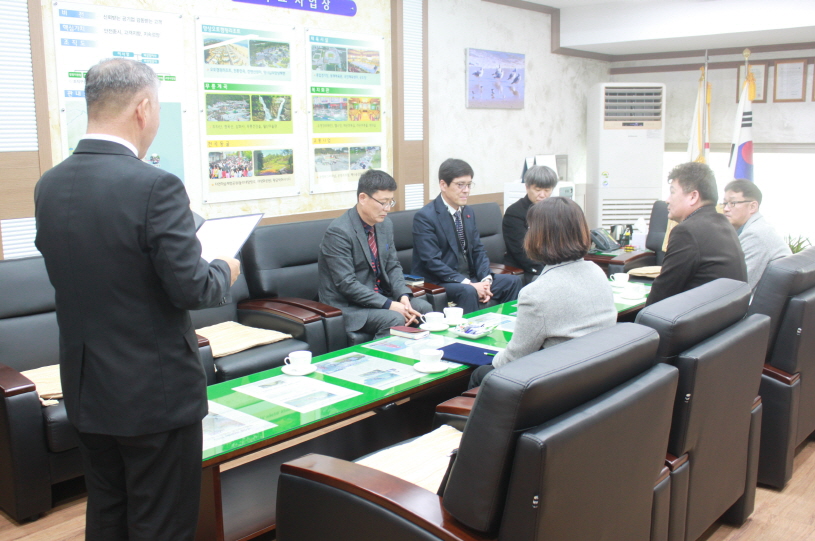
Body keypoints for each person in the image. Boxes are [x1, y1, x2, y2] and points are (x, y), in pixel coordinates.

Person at [34, 58, 240, 541]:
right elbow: (194, 287)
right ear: (143, 107)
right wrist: (224, 269)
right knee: (161, 522)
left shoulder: (50, 184)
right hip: (154, 394)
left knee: (108, 511)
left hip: (87, 390)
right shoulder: (155, 186)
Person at [469, 197, 616, 388]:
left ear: (540, 237)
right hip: (596, 376)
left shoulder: (536, 293)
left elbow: (513, 360)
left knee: (482, 374)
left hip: (557, 386)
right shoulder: (597, 271)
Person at [318, 169, 431, 339]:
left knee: (424, 308)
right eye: (383, 202)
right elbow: (347, 284)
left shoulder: (385, 225)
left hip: (380, 296)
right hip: (350, 306)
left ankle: (415, 358)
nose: (387, 209)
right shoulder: (339, 232)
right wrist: (388, 304)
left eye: (390, 202)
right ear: (363, 198)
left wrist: (402, 295)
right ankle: (381, 363)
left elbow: (393, 265)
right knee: (394, 318)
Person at [412, 158, 522, 314]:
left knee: (512, 282)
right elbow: (432, 262)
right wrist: (469, 284)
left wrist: (485, 280)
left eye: (469, 185)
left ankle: (507, 332)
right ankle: (469, 335)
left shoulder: (468, 212)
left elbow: (478, 250)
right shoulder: (425, 217)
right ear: (443, 185)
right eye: (460, 185)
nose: (466, 190)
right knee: (468, 291)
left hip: (470, 278)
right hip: (442, 282)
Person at [646, 162, 746, 306]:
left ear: (693, 197)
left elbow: (663, 292)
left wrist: (639, 325)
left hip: (699, 324)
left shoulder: (687, 231)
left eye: (672, 192)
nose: (667, 200)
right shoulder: (723, 223)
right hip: (725, 321)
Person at [722, 179, 791, 290]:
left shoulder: (756, 234)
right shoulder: (753, 228)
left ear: (753, 207)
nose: (725, 209)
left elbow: (739, 287)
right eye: (725, 203)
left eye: (732, 203)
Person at [502, 165, 558, 283]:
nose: (542, 195)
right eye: (537, 190)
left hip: (551, 266)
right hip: (526, 267)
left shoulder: (555, 210)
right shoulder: (515, 212)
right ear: (527, 187)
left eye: (547, 190)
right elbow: (521, 251)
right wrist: (546, 271)